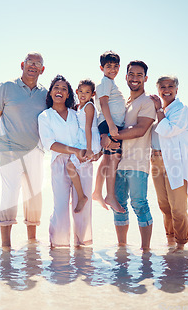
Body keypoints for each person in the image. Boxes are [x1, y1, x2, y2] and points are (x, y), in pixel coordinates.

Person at [0, 52, 47, 249]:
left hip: (36, 152)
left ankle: (32, 243)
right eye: (29, 62)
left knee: (33, 197)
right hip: (9, 151)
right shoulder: (6, 88)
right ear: (22, 64)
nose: (33, 66)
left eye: (37, 64)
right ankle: (6, 247)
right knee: (9, 195)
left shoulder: (45, 94)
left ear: (42, 69)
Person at [38, 75, 93, 248]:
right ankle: (59, 249)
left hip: (81, 161)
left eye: (63, 88)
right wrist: (73, 150)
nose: (59, 91)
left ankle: (83, 249)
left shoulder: (77, 114)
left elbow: (89, 130)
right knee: (61, 208)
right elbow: (50, 144)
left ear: (69, 94)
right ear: (51, 92)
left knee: (83, 209)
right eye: (56, 87)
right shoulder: (45, 116)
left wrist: (92, 151)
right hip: (59, 162)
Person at [107, 60, 156, 251]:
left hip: (137, 163)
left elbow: (140, 130)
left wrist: (112, 137)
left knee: (139, 204)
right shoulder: (125, 103)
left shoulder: (147, 102)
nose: (135, 78)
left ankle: (145, 251)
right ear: (126, 77)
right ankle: (122, 247)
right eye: (131, 74)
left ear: (145, 78)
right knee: (118, 205)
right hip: (118, 163)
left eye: (139, 75)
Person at [150, 75, 188, 252]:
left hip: (175, 162)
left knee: (178, 208)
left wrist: (159, 111)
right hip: (155, 160)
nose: (166, 89)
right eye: (162, 86)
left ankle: (181, 245)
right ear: (158, 89)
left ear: (177, 90)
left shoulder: (181, 110)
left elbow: (168, 130)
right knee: (164, 206)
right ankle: (170, 242)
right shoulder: (157, 109)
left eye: (170, 86)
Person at [92, 51, 126, 214]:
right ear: (102, 68)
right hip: (109, 123)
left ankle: (97, 192)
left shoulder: (110, 83)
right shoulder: (106, 82)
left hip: (109, 123)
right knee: (112, 159)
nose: (112, 69)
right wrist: (112, 126)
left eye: (115, 66)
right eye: (108, 66)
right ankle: (110, 195)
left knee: (107, 160)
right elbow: (104, 103)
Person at [66, 79, 101, 213]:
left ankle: (82, 197)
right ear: (76, 91)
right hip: (82, 142)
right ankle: (77, 196)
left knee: (70, 166)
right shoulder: (79, 107)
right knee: (71, 167)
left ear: (92, 94)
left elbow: (88, 128)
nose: (83, 94)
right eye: (80, 91)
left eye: (87, 92)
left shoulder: (89, 107)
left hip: (89, 142)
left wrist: (90, 149)